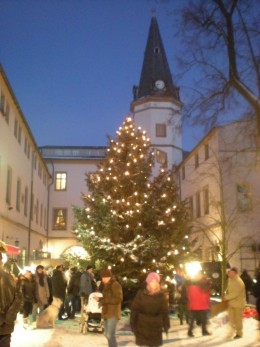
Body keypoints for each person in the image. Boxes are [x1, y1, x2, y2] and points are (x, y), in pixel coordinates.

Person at [130, 272, 170, 347]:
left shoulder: (161, 296)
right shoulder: (141, 294)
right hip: (142, 327)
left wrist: (166, 324)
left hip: (155, 328)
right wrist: (133, 323)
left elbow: (164, 311)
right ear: (148, 282)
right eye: (151, 281)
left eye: (155, 281)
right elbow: (135, 309)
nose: (153, 283)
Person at [0, 250, 23, 347]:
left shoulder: (9, 278)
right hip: (6, 325)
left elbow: (18, 298)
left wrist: (8, 317)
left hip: (5, 326)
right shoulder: (10, 278)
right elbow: (19, 299)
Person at [95, 268, 123, 347]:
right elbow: (107, 298)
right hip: (107, 312)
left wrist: (104, 300)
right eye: (102, 278)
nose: (102, 279)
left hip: (113, 313)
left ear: (109, 277)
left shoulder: (115, 285)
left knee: (110, 335)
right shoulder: (107, 286)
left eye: (104, 278)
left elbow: (118, 298)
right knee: (107, 334)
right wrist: (100, 299)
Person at [223, 267, 246, 339]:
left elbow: (236, 293)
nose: (230, 274)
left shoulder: (238, 281)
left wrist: (226, 297)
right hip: (231, 303)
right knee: (231, 319)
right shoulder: (230, 280)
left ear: (235, 273)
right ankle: (231, 332)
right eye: (229, 272)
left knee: (238, 319)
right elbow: (229, 289)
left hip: (238, 304)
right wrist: (226, 292)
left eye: (231, 273)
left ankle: (239, 333)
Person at [186, 271, 211, 337]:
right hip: (201, 304)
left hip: (196, 304)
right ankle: (203, 331)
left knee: (193, 319)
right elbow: (205, 291)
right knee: (202, 319)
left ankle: (190, 331)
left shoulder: (193, 283)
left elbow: (189, 292)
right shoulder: (202, 282)